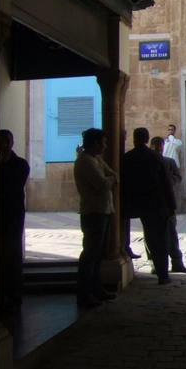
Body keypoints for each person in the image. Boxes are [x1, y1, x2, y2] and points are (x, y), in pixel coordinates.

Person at [121, 128, 176, 285]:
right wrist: (171, 205)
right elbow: (166, 183)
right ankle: (163, 274)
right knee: (161, 239)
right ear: (147, 139)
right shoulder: (155, 157)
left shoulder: (127, 158)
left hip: (139, 204)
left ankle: (155, 267)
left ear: (134, 139)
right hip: (157, 204)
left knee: (150, 238)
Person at [73, 128, 118, 308]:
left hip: (104, 211)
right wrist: (111, 180)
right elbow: (102, 184)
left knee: (99, 255)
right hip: (93, 212)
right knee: (90, 255)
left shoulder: (96, 159)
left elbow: (112, 174)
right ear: (96, 143)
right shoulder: (85, 161)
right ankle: (85, 294)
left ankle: (96, 289)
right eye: (103, 142)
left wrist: (111, 178)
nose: (105, 146)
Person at [0, 129, 30, 314]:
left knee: (13, 256)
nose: (3, 145)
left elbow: (13, 187)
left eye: (6, 141)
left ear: (12, 142)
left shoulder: (20, 164)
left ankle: (15, 295)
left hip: (13, 216)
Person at [150, 136, 186, 273]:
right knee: (153, 235)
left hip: (166, 204)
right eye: (156, 147)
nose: (159, 150)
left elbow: (177, 177)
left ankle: (176, 262)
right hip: (154, 204)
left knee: (171, 234)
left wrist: (169, 181)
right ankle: (156, 264)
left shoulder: (169, 162)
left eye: (160, 147)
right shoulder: (148, 163)